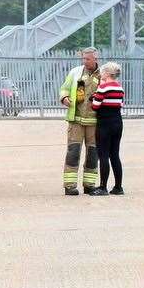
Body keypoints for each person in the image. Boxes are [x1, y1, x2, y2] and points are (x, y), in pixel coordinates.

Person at [58, 47, 101, 195]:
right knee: (73, 152)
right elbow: (64, 88)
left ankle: (89, 185)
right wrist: (64, 98)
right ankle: (69, 186)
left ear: (95, 59)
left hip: (94, 123)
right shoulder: (76, 72)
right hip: (76, 121)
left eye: (87, 59)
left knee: (93, 154)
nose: (84, 61)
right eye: (83, 58)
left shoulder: (103, 75)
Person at [90, 62, 125, 196]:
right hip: (117, 122)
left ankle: (103, 187)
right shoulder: (120, 88)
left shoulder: (103, 87)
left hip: (104, 123)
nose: (100, 73)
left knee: (103, 155)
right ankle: (118, 187)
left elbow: (95, 106)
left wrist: (93, 99)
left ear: (107, 73)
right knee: (114, 155)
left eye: (102, 72)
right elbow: (120, 104)